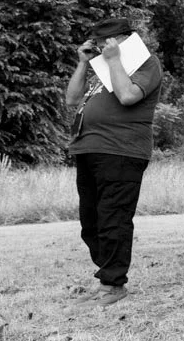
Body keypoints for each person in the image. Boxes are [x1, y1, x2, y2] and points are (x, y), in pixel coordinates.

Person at [65, 16, 164, 306]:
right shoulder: (103, 68)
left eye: (102, 41)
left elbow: (127, 96)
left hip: (122, 150)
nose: (98, 47)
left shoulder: (146, 64)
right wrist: (83, 63)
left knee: (113, 219)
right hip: (89, 149)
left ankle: (114, 283)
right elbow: (72, 100)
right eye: (96, 43)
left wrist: (114, 60)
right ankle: (107, 277)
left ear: (121, 40)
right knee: (91, 221)